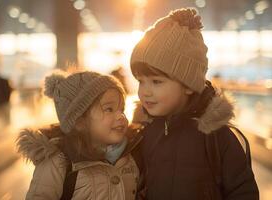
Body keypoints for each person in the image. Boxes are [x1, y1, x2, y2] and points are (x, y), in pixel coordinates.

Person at [129, 8, 259, 200]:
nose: (145, 91)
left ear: (188, 86)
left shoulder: (217, 137)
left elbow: (243, 191)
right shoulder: (145, 132)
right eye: (141, 81)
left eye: (156, 81)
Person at [16, 70, 143, 200]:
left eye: (121, 109)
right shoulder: (59, 163)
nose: (121, 116)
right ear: (79, 122)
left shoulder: (131, 154)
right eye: (109, 109)